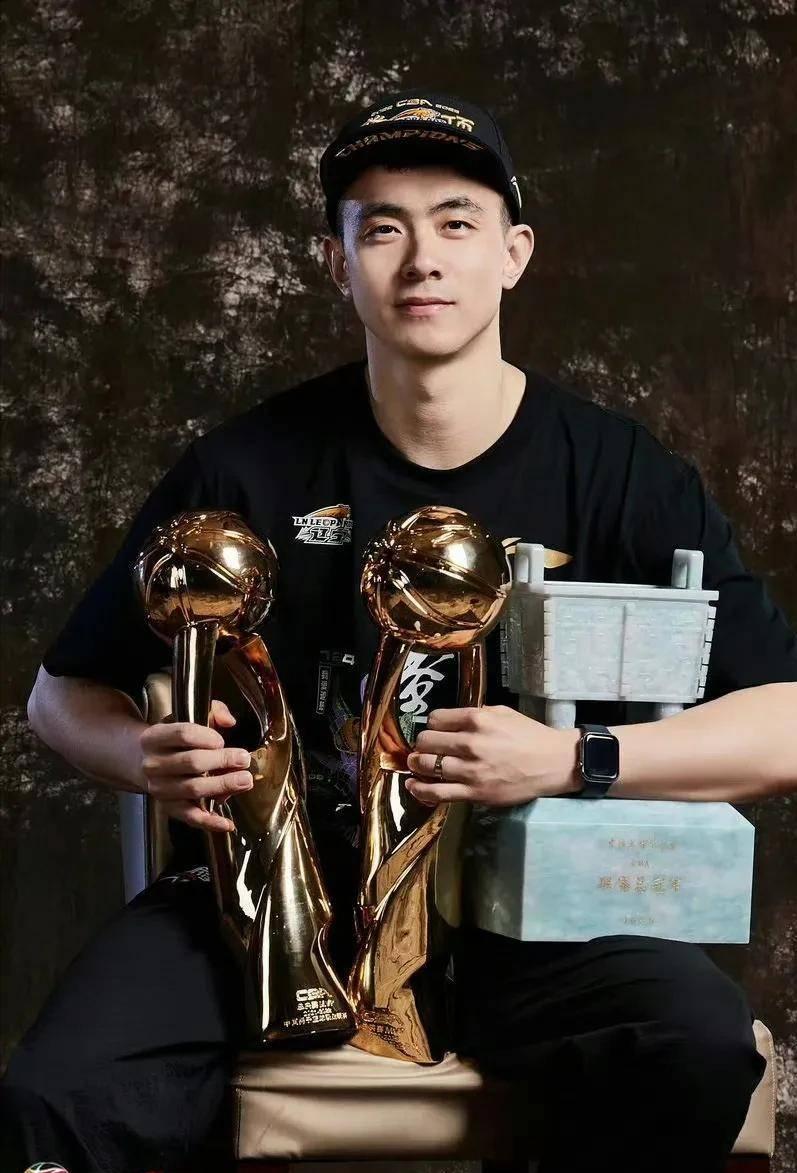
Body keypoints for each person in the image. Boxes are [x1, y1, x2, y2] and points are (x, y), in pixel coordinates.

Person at [3, 89, 796, 1173]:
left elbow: (784, 721)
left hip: (532, 903)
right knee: (54, 1099)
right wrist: (144, 756)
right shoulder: (247, 467)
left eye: (456, 222)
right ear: (336, 265)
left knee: (692, 1045)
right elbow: (60, 698)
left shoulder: (618, 473)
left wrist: (573, 758)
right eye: (382, 228)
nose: (422, 258)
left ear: (512, 254)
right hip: (278, 902)